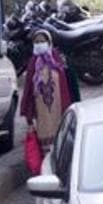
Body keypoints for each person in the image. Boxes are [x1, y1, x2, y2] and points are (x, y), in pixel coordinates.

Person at [19, 35, 73, 167]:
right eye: (36, 42)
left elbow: (65, 86)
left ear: (49, 42)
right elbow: (28, 90)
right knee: (45, 146)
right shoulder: (33, 63)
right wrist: (29, 115)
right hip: (41, 115)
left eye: (42, 41)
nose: (39, 44)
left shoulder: (56, 60)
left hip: (58, 111)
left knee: (60, 140)